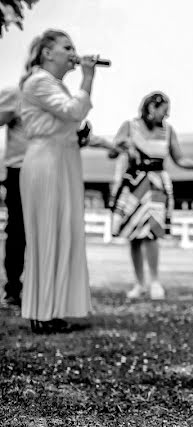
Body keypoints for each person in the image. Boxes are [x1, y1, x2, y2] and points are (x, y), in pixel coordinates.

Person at [18, 30, 111, 333]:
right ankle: (41, 313)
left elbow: (73, 124)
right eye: (67, 47)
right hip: (45, 162)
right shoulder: (39, 81)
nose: (74, 52)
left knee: (64, 234)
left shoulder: (55, 86)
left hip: (64, 160)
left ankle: (55, 309)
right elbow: (74, 111)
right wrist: (87, 77)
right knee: (46, 234)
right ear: (47, 52)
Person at [111, 91, 193, 300]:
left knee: (151, 233)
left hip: (157, 184)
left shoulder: (168, 131)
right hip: (134, 183)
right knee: (134, 235)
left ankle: (155, 281)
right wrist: (125, 145)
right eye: (163, 111)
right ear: (151, 108)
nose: (165, 117)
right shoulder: (130, 126)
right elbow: (112, 151)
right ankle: (139, 283)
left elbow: (180, 159)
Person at [0, 84, 26, 307]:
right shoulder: (17, 94)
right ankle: (13, 288)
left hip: (51, 170)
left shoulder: (58, 95)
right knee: (18, 230)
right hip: (19, 170)